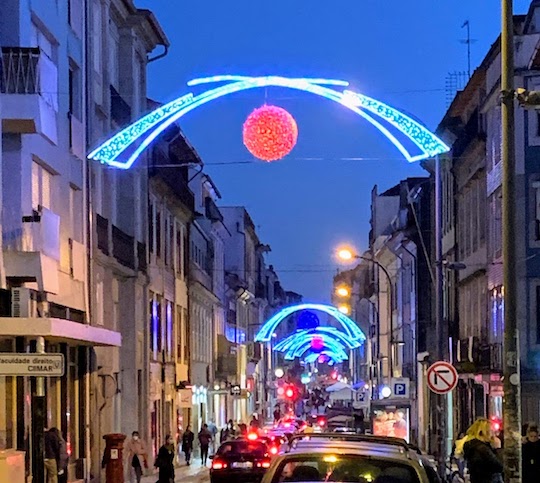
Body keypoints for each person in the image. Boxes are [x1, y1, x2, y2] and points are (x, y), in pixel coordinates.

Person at [463, 418, 503, 483]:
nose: (493, 435)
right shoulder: (483, 449)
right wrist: (498, 449)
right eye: (491, 431)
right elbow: (499, 466)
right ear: (484, 432)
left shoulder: (472, 447)